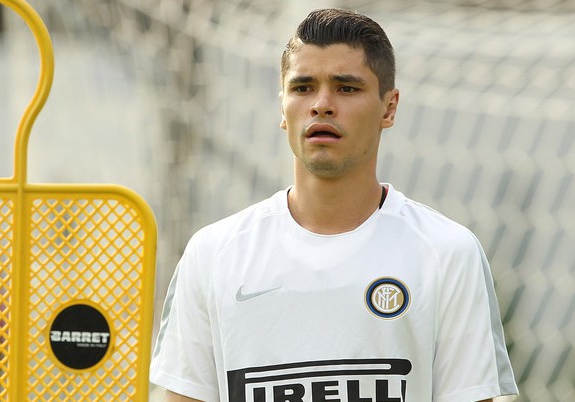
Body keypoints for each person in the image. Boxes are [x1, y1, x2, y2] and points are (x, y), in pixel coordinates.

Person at [149, 8, 519, 402]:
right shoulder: (213, 254)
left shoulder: (447, 253)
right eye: (303, 87)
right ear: (282, 107)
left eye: (346, 88)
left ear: (389, 107)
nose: (321, 104)